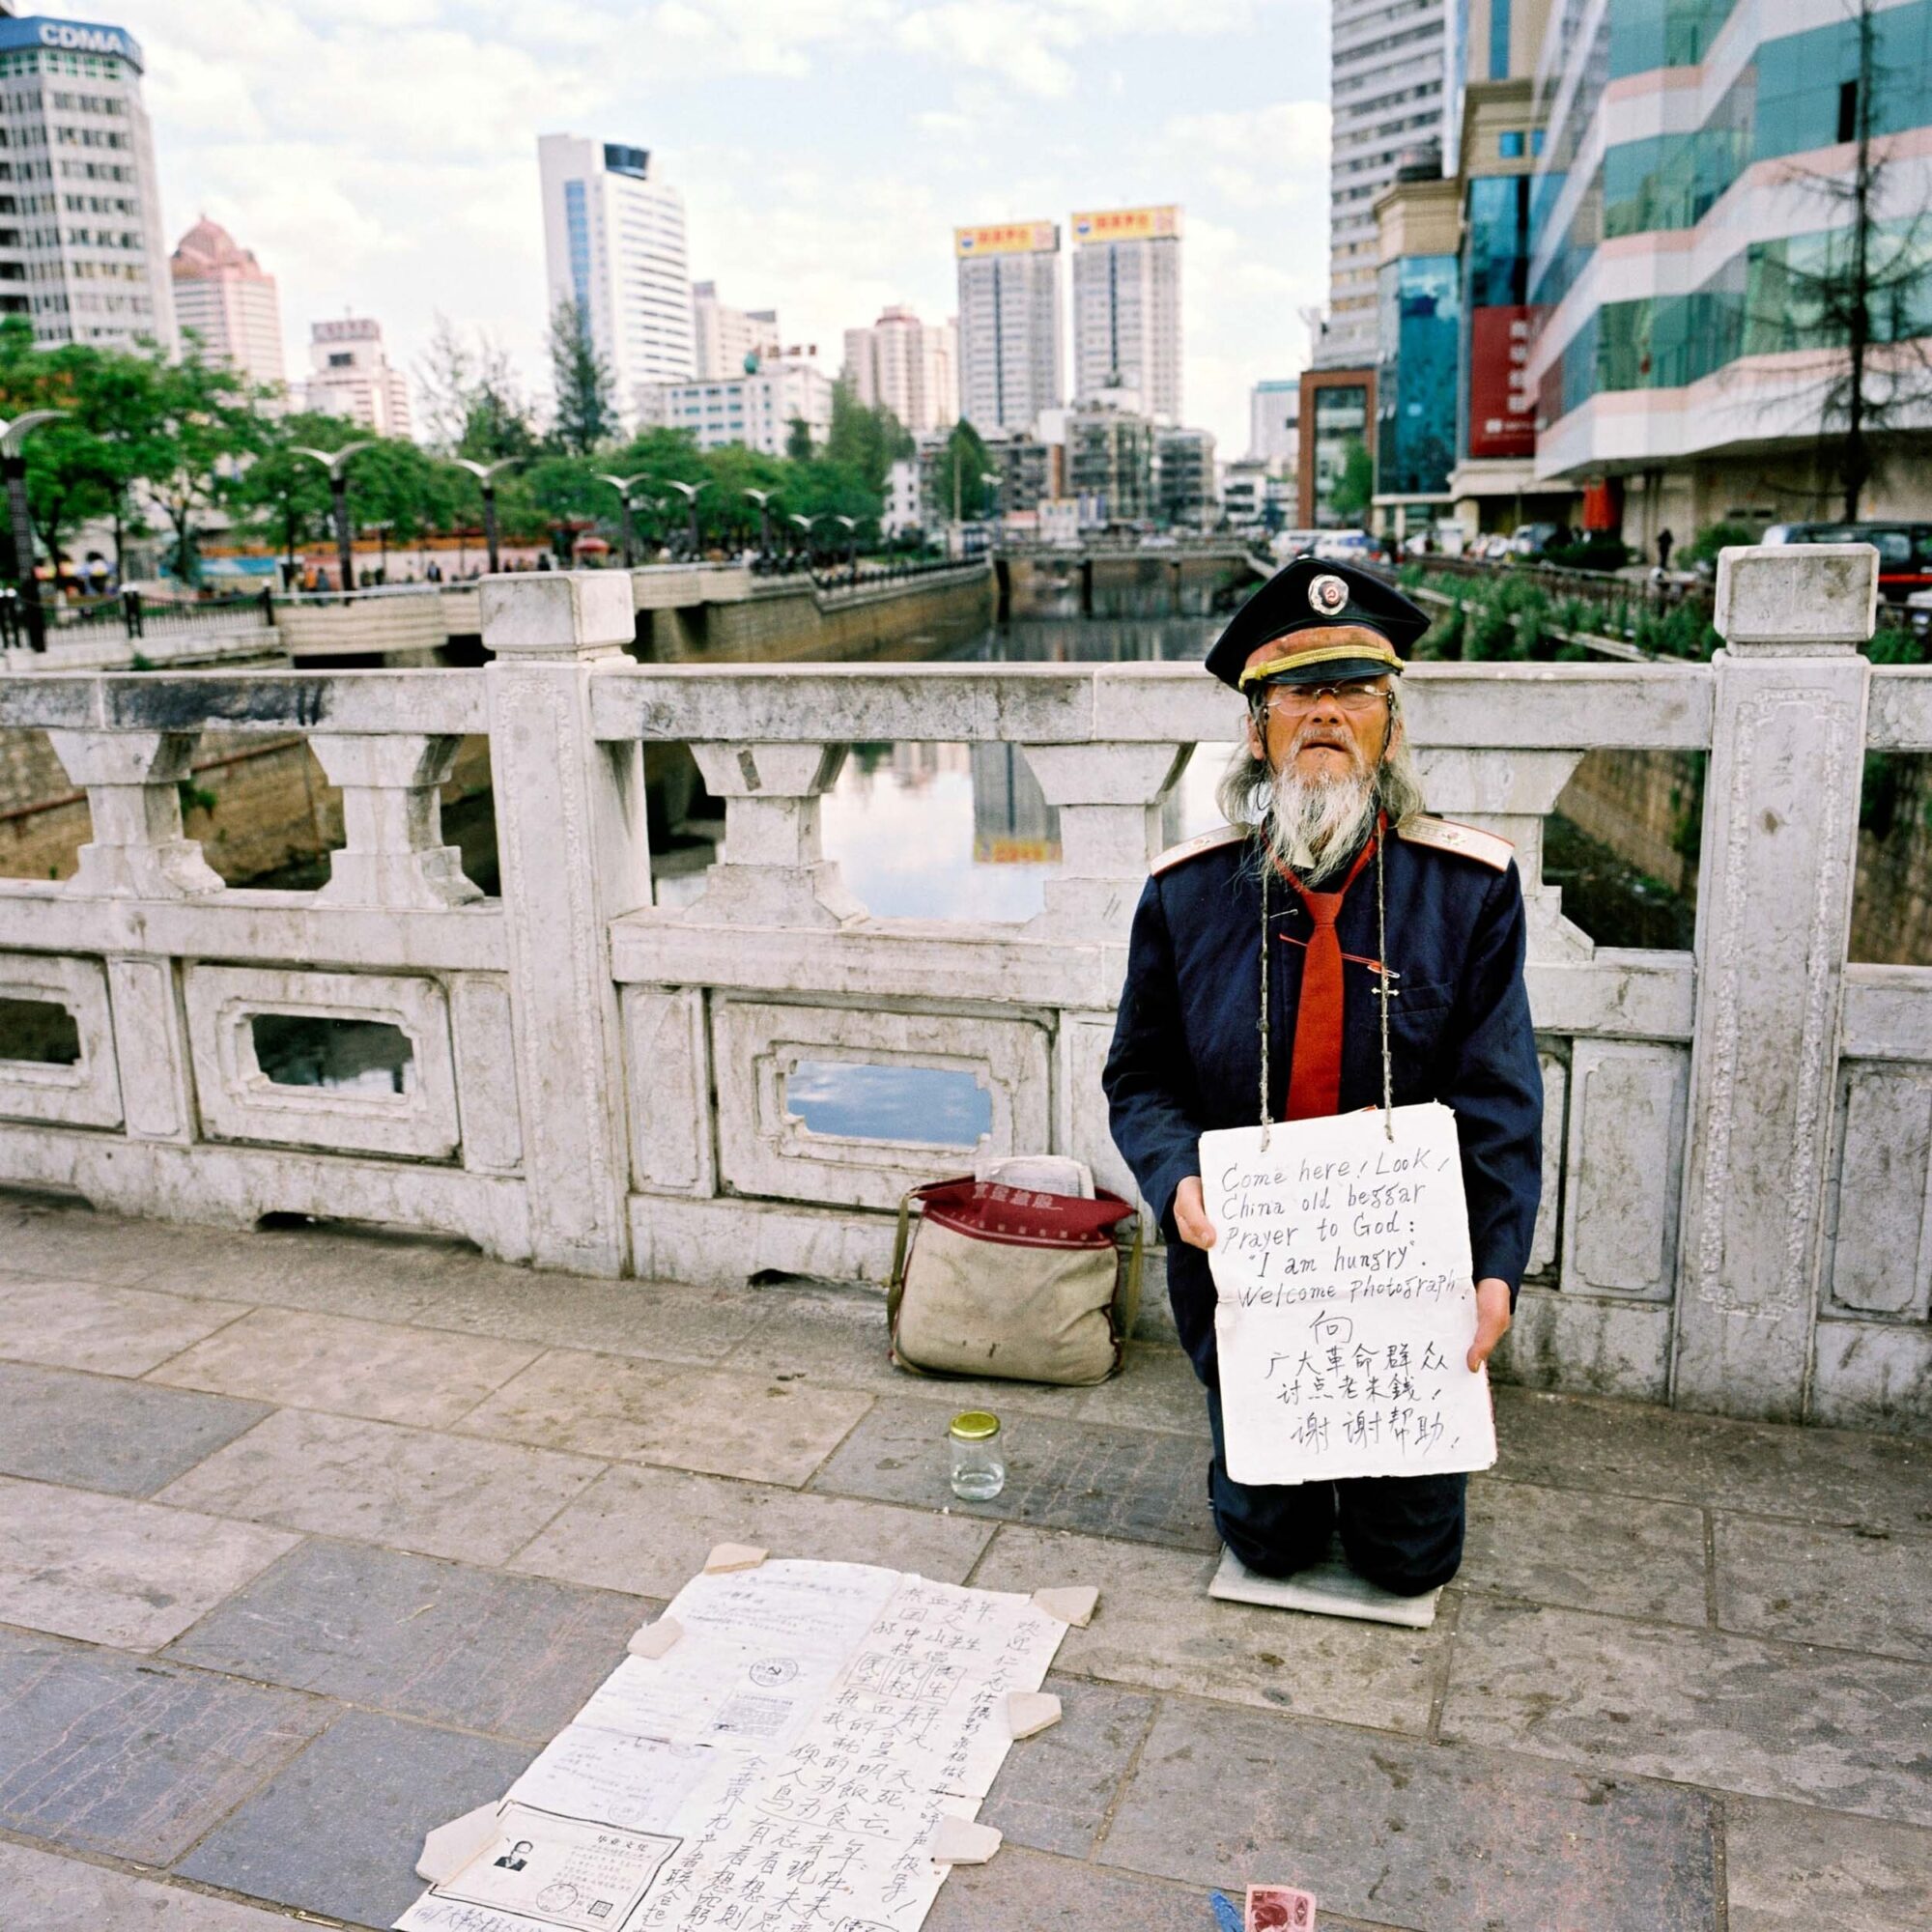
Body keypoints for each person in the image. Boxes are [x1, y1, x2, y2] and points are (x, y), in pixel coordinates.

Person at [1103, 556, 1542, 1595]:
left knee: (1408, 1564)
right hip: (1250, 1278)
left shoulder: (1466, 889)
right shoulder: (1186, 895)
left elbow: (1498, 1100)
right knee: (1270, 1544)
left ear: (1389, 723)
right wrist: (1175, 1179)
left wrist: (1493, 1270)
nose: (1326, 714)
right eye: (1298, 691)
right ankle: (1261, 1471)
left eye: (1354, 691)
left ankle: (1392, 1481)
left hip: (1405, 1290)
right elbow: (1140, 1074)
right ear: (1255, 728)